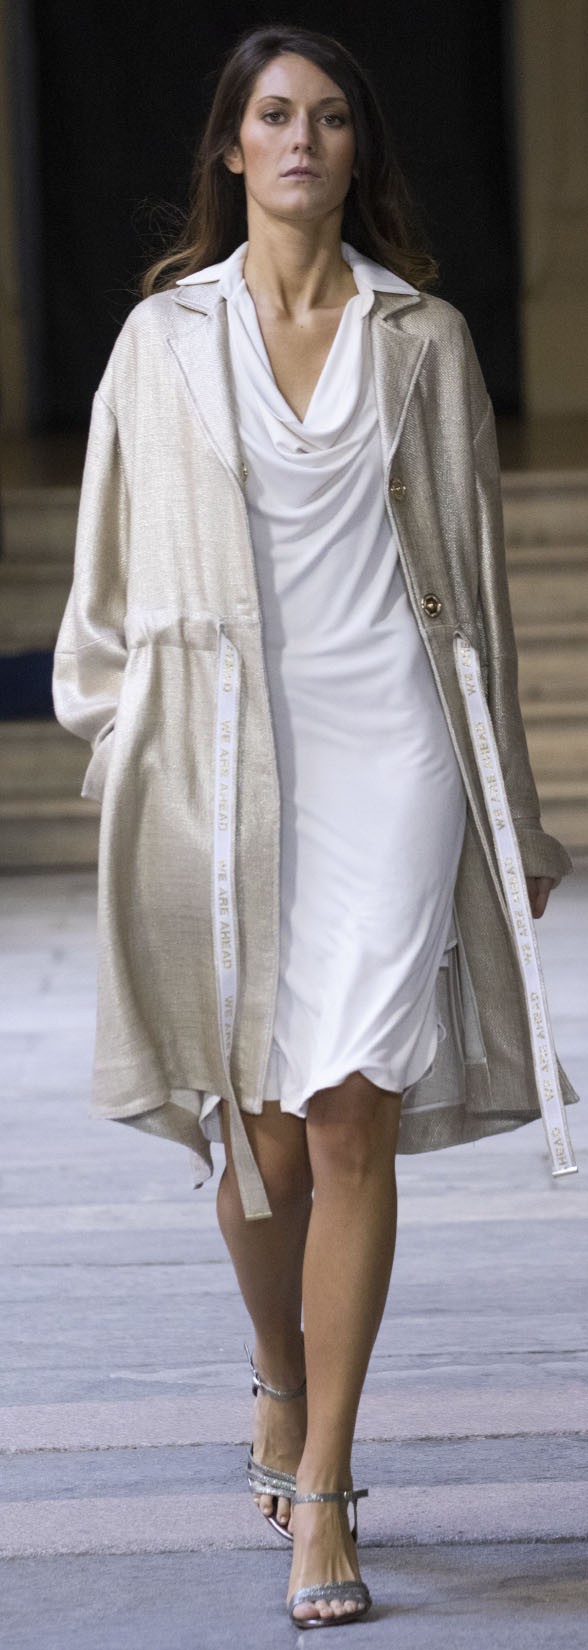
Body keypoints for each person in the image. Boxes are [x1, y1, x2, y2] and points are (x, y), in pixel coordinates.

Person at [52, 23, 578, 1630]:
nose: (302, 139)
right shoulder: (164, 340)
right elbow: (107, 565)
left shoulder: (424, 337)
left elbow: (477, 592)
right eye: (275, 115)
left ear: (358, 152)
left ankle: (330, 1483)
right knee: (262, 1141)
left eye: (332, 117)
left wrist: (514, 811)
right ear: (232, 147)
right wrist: (116, 738)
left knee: (351, 1116)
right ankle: (277, 1370)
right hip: (222, 765)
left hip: (392, 751)